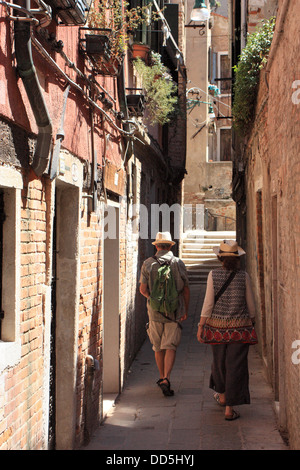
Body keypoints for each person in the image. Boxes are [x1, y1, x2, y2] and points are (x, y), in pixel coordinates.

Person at [197, 240, 256, 420]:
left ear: (220, 257)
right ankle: (229, 408)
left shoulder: (213, 275)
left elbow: (208, 303)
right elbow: (251, 304)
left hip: (217, 328)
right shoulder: (243, 276)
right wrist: (251, 321)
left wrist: (201, 326)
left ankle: (222, 396)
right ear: (237, 258)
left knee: (220, 363)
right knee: (235, 365)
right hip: (240, 328)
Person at [139, 232, 190, 397]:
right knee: (171, 346)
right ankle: (168, 377)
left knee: (158, 346)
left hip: (154, 313)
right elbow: (186, 290)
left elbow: (143, 290)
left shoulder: (147, 263)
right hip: (174, 311)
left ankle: (161, 377)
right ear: (170, 246)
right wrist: (185, 309)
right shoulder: (178, 263)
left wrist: (154, 300)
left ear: (156, 246)